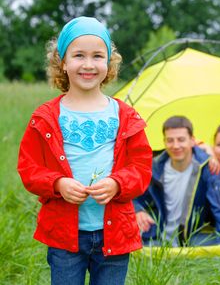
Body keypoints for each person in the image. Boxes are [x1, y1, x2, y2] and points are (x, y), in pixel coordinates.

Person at [17, 16, 152, 285]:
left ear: (108, 63)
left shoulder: (125, 116)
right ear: (63, 62)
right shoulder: (45, 117)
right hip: (65, 235)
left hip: (114, 233)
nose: (88, 64)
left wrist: (117, 183)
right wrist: (57, 183)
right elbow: (28, 168)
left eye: (97, 56)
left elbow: (141, 167)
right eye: (79, 55)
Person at [134, 116, 220, 247]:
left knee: (213, 244)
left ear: (192, 140)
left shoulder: (208, 168)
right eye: (170, 140)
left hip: (192, 239)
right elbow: (132, 196)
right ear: (164, 142)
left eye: (181, 140)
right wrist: (138, 211)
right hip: (156, 237)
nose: (176, 145)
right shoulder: (153, 167)